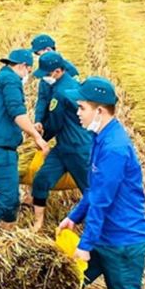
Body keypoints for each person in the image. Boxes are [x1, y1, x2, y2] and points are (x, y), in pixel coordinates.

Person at [57, 77, 145, 289]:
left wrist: (85, 245)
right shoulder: (100, 137)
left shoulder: (114, 147)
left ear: (100, 110)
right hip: (105, 236)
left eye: (82, 108)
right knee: (70, 285)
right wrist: (73, 216)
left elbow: (104, 203)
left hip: (123, 240)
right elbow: (94, 191)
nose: (77, 113)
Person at [0, 49, 48, 229]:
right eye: (28, 70)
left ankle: (5, 238)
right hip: (0, 149)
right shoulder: (11, 80)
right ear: (23, 66)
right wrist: (36, 136)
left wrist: (31, 127)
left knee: (12, 202)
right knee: (6, 199)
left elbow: (6, 115)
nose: (27, 75)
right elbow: (16, 111)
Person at [29, 52, 92, 231]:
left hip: (78, 148)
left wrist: (40, 138)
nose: (44, 78)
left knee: (90, 189)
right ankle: (38, 223)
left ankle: (97, 225)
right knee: (41, 179)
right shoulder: (68, 85)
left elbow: (55, 124)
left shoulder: (61, 93)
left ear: (57, 71)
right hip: (63, 147)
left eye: (47, 75)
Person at [30, 34, 79, 140]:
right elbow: (42, 98)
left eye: (39, 54)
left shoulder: (69, 73)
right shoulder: (46, 71)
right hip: (54, 117)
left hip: (68, 127)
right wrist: (39, 120)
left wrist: (44, 138)